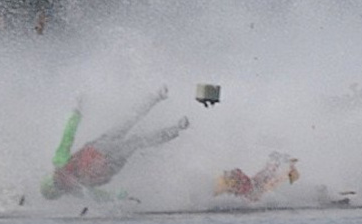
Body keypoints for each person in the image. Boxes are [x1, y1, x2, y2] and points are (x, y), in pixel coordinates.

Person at [40, 86, 189, 200]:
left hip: (100, 150)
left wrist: (77, 111)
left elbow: (68, 136)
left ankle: (160, 101)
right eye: (59, 184)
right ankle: (174, 123)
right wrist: (121, 197)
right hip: (106, 160)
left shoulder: (63, 169)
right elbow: (99, 196)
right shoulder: (73, 186)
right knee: (134, 137)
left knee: (129, 126)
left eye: (56, 181)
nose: (61, 180)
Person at [214, 152, 300, 201]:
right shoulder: (229, 185)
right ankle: (278, 162)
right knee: (266, 177)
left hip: (250, 186)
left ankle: (279, 162)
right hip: (250, 185)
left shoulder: (234, 186)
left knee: (267, 179)